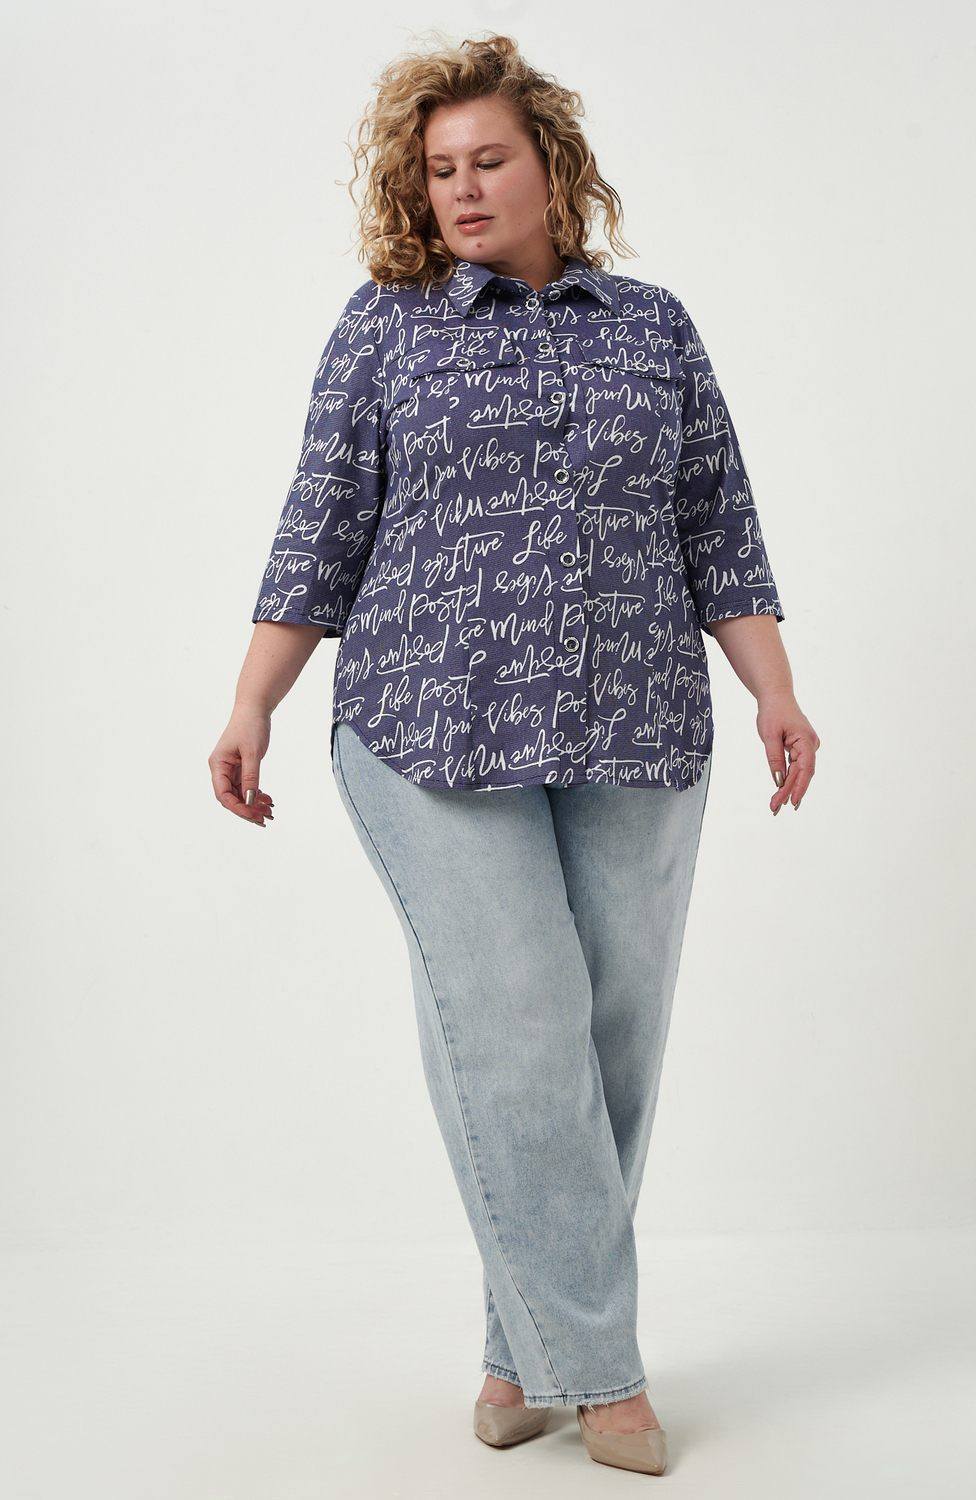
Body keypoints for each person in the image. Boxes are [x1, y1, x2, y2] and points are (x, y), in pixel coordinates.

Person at [208, 32, 819, 1478]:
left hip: (636, 725)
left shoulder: (654, 328)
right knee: (521, 1031)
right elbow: (320, 525)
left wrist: (776, 692)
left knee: (610, 1048)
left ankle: (516, 1350)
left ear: (554, 166)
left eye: (490, 160)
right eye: (440, 170)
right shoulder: (387, 325)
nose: (465, 189)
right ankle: (603, 1376)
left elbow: (718, 520)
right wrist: (253, 703)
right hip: (427, 728)